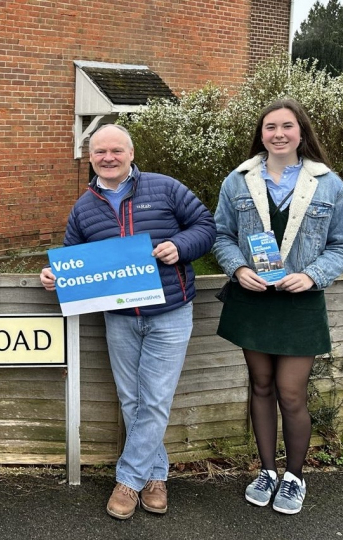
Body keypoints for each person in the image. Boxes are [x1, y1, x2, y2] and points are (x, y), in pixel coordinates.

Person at [40, 124, 215, 519]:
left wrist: (180, 246)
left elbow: (206, 227)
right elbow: (75, 258)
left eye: (116, 150)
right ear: (91, 158)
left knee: (154, 398)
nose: (108, 158)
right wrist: (54, 276)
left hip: (171, 311)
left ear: (130, 154)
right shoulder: (84, 206)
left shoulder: (165, 188)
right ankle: (156, 476)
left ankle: (129, 481)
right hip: (119, 317)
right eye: (100, 152)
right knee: (132, 399)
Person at [212, 98, 343, 515]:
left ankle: (295, 477)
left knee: (291, 395)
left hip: (301, 303)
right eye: (271, 127)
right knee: (261, 387)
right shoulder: (238, 180)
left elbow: (340, 246)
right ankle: (267, 471)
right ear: (262, 134)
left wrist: (312, 276)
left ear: (301, 132)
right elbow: (220, 235)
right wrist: (236, 269)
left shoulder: (329, 184)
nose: (279, 133)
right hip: (252, 300)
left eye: (287, 126)